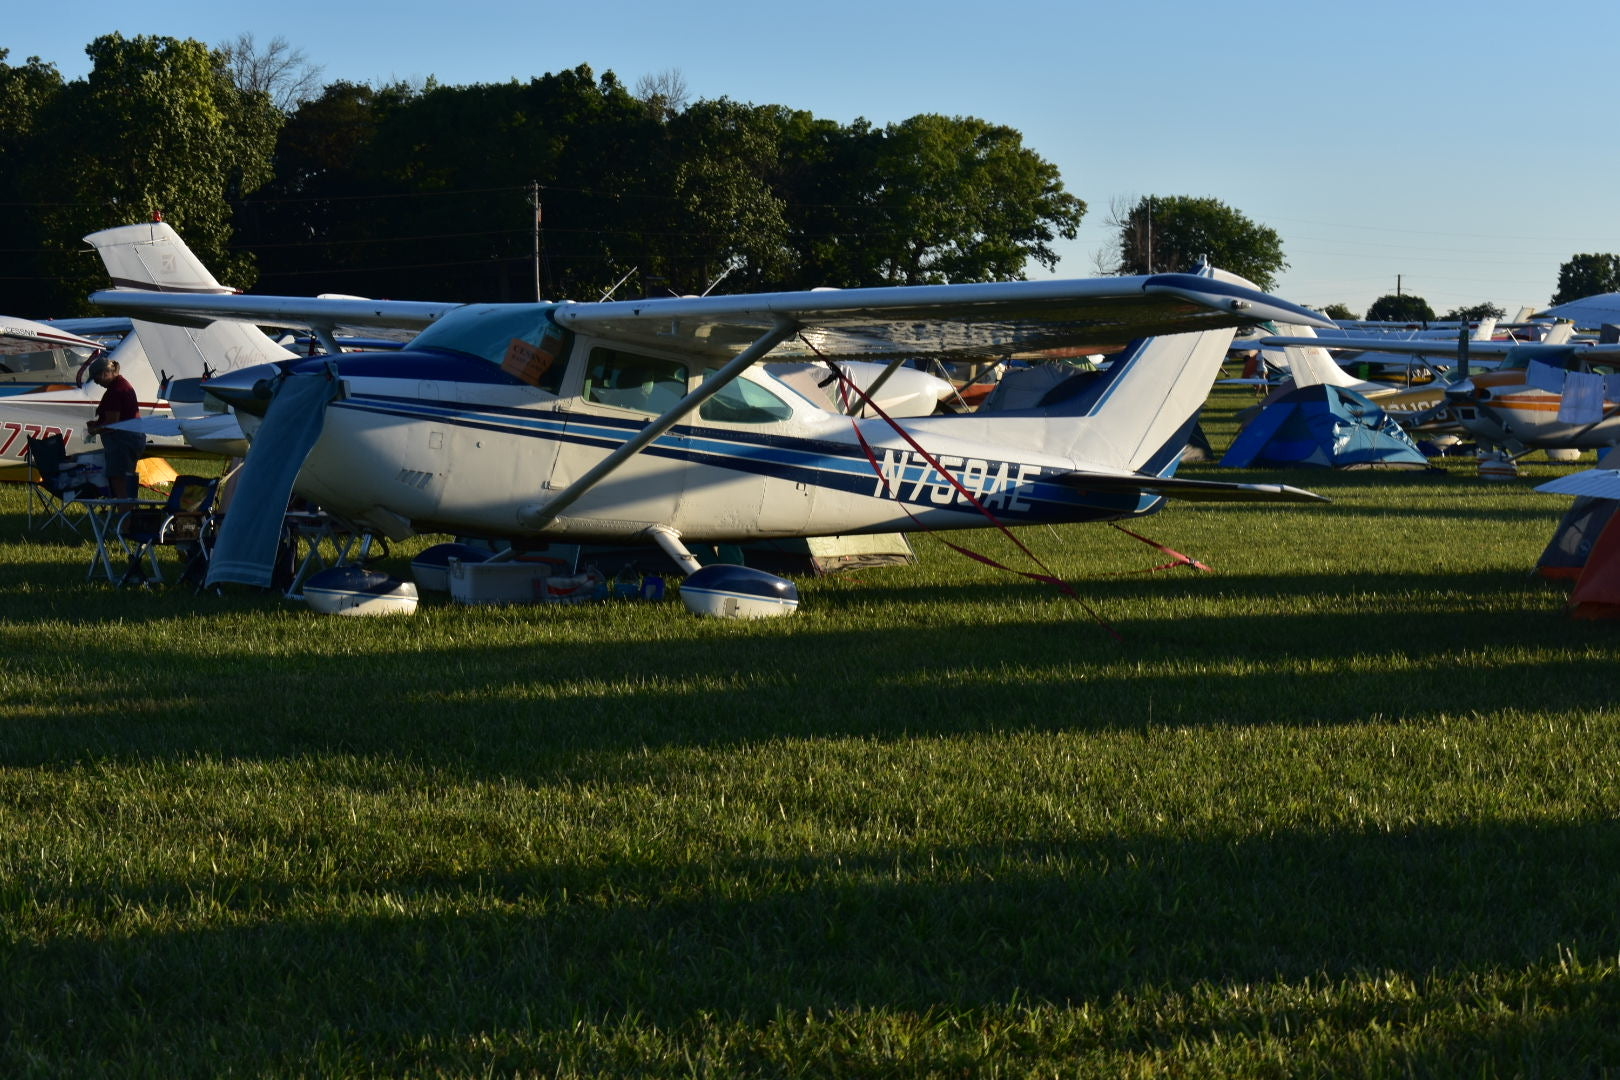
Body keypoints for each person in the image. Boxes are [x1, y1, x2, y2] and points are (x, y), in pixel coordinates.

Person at [84, 356, 145, 500]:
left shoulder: (116, 390)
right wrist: (98, 424)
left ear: (106, 373)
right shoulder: (121, 385)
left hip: (122, 442)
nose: (97, 382)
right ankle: (126, 516)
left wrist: (94, 430)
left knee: (120, 483)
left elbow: (112, 423)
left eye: (97, 378)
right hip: (131, 439)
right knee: (124, 482)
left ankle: (125, 518)